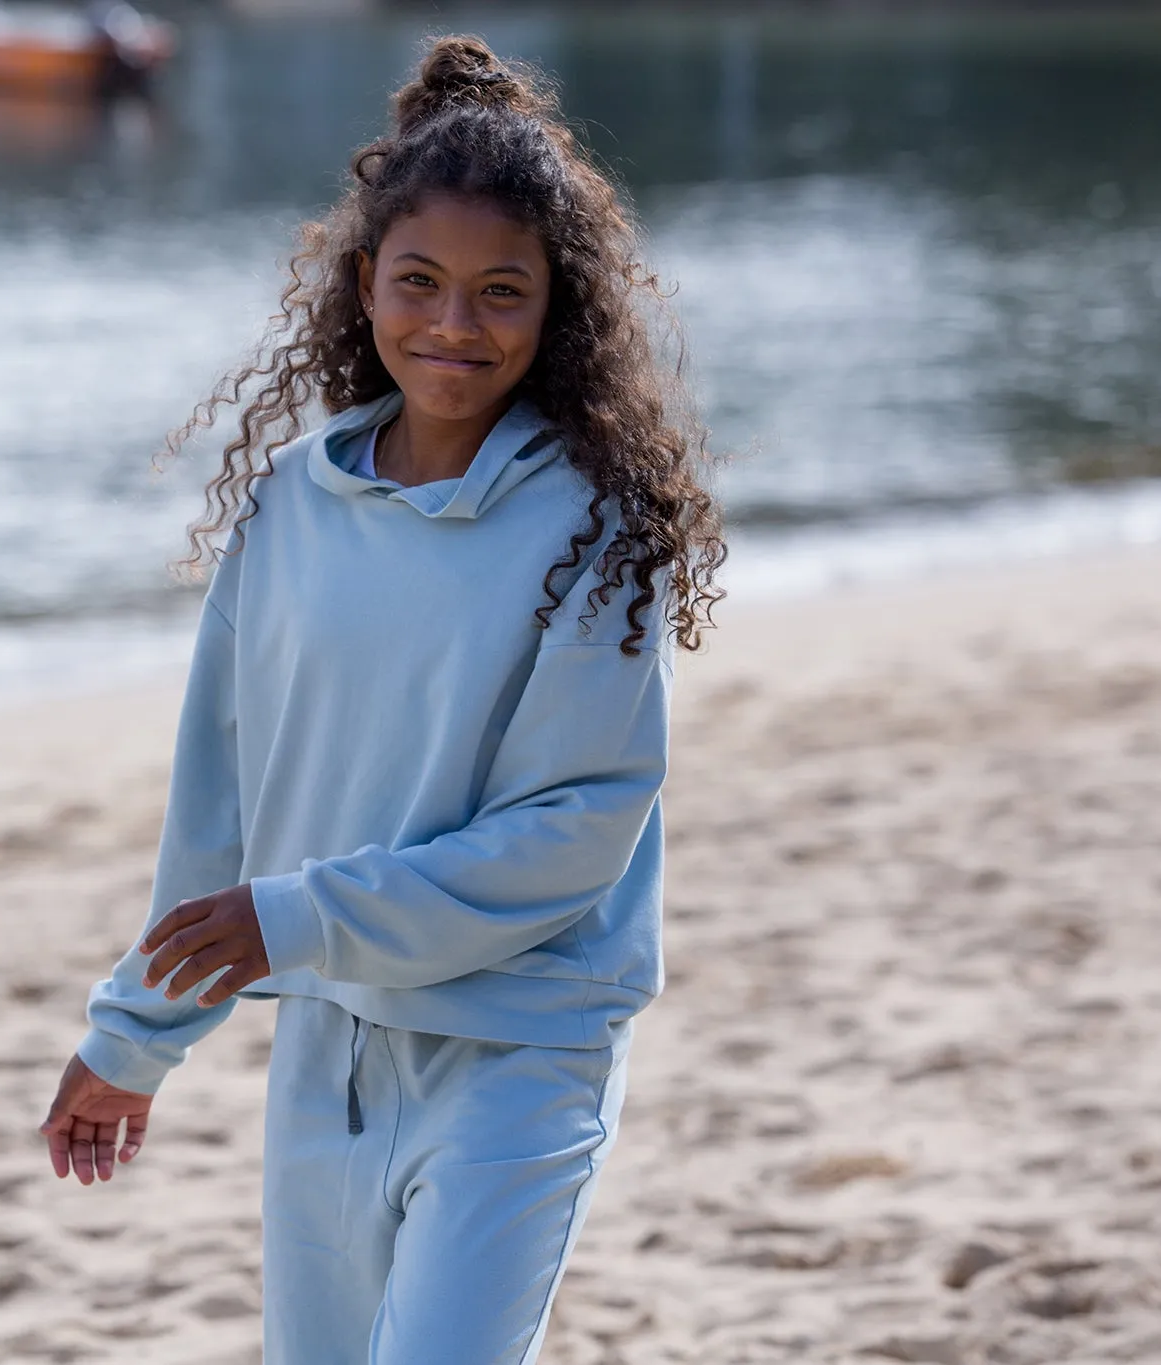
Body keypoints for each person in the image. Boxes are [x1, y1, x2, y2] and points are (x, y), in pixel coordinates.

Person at [36, 33, 725, 1365]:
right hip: (330, 1054)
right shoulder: (291, 504)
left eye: (499, 294)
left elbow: (575, 832)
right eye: (420, 282)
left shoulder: (597, 533)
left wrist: (293, 918)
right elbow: (221, 803)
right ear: (365, 286)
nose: (453, 327)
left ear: (554, 312)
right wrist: (136, 1033)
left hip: (520, 1054)